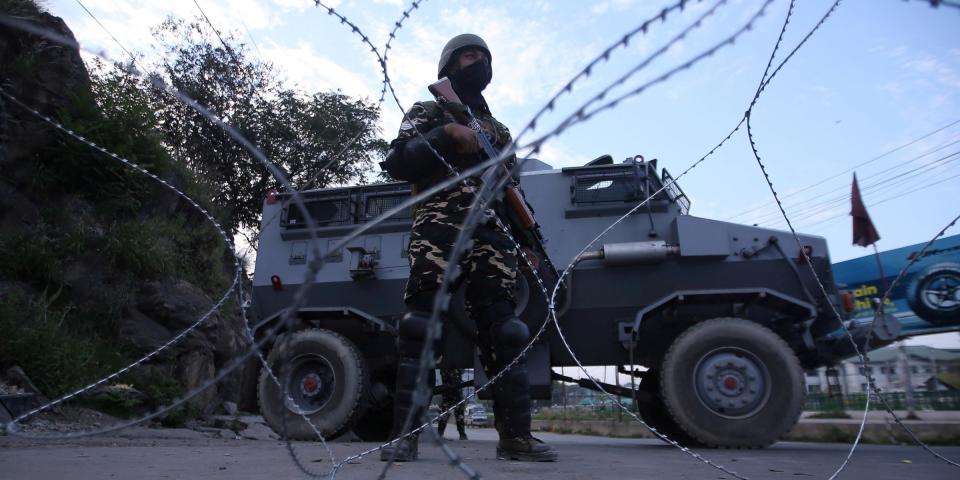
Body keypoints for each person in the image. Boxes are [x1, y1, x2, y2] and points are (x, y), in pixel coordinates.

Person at [378, 33, 557, 462]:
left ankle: (516, 438)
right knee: (421, 324)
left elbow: (510, 187)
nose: (477, 62)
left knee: (506, 329)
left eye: (483, 57)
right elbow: (398, 161)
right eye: (468, 55)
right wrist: (447, 133)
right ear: (449, 65)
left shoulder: (500, 131)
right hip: (441, 224)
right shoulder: (429, 110)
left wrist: (526, 240)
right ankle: (406, 435)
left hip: (492, 234)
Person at [436, 369, 468, 440]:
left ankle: (462, 434)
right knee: (444, 415)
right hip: (448, 394)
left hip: (457, 394)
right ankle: (440, 433)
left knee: (459, 416)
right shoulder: (445, 367)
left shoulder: (458, 367)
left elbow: (462, 372)